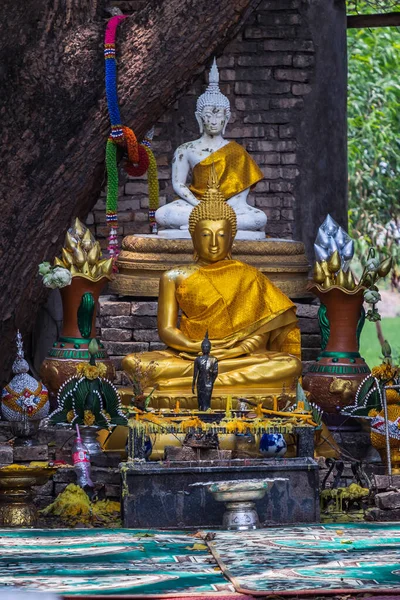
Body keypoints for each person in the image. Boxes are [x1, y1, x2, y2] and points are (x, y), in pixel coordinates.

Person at [122, 166, 302, 405]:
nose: (214, 243)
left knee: (289, 365)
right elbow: (166, 330)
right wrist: (193, 346)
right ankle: (215, 383)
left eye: (222, 235)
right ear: (193, 237)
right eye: (206, 235)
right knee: (135, 363)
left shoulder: (249, 276)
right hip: (189, 356)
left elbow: (263, 329)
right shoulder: (173, 276)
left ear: (232, 237)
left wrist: (240, 348)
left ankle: (191, 385)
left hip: (238, 358)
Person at [155, 58, 267, 239]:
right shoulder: (186, 149)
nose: (213, 121)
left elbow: (240, 197)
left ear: (226, 118)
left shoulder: (236, 151)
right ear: (199, 118)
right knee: (163, 214)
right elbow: (178, 184)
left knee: (258, 218)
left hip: (230, 208)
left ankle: (200, 226)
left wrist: (224, 209)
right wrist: (200, 207)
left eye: (218, 116)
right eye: (208, 115)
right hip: (195, 205)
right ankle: (211, 224)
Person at [192, 332, 218, 411]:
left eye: (207, 347)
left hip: (209, 382)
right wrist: (193, 384)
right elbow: (195, 373)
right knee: (200, 398)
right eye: (204, 346)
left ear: (210, 348)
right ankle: (201, 411)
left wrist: (211, 381)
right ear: (201, 348)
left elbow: (215, 372)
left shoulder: (214, 359)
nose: (205, 348)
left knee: (207, 398)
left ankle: (207, 411)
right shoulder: (198, 359)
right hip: (200, 382)